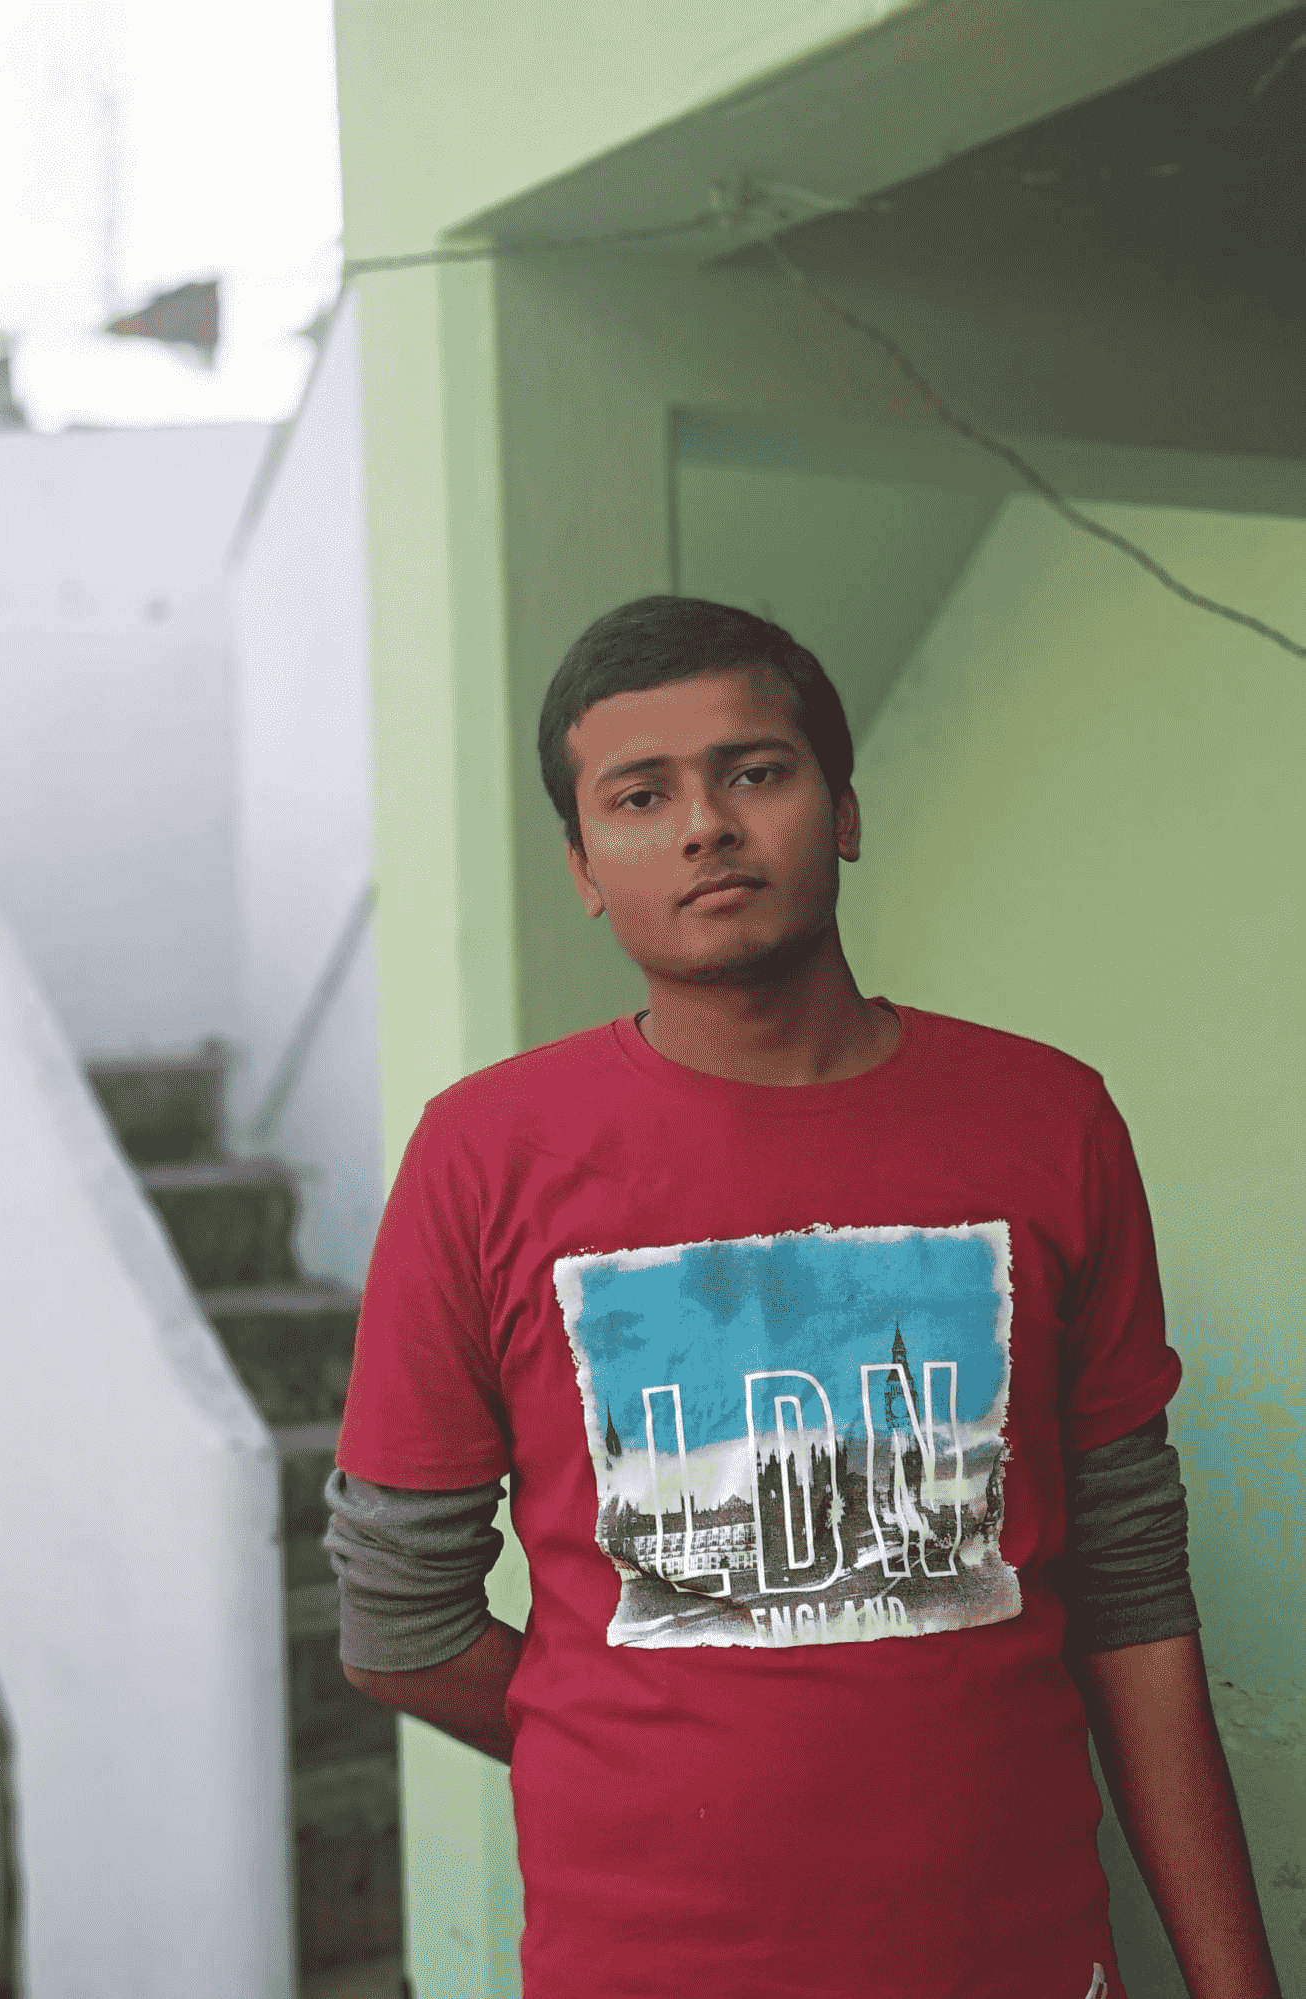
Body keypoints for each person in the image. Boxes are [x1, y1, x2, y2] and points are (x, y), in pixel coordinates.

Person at [324, 596, 1281, 1999]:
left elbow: (1132, 1592)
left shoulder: (1050, 1120)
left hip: (1018, 1956)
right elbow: (400, 1628)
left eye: (755, 771)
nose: (705, 826)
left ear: (844, 809)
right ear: (584, 868)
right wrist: (630, 1743)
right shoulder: (485, 1155)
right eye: (641, 797)